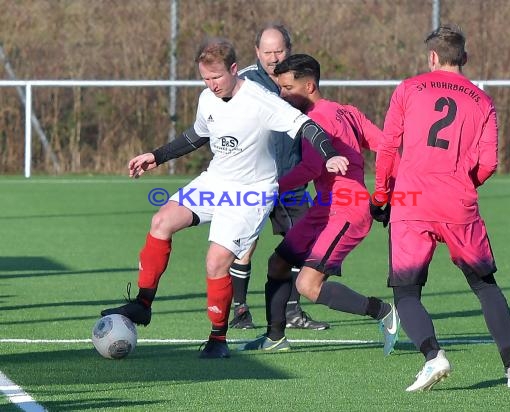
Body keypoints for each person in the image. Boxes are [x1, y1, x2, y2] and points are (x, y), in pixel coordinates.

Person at [100, 38, 349, 359]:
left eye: (217, 77)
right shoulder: (207, 98)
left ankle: (218, 338)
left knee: (216, 261)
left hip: (251, 193)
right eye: (205, 78)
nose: (211, 84)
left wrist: (328, 155)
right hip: (216, 181)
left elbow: (307, 127)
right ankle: (143, 304)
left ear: (234, 69)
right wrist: (156, 156)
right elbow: (197, 134)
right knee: (161, 221)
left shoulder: (261, 100)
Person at [374, 24, 510, 391]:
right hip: (458, 202)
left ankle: (433, 356)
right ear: (464, 58)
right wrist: (464, 184)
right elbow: (489, 162)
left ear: (432, 57)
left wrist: (381, 196)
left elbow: (388, 149)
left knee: (406, 293)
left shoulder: (409, 88)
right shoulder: (482, 101)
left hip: (410, 201)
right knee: (485, 286)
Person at [240, 54, 400, 355]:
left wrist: (270, 187)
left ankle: (383, 312)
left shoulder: (318, 119)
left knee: (308, 285)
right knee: (278, 264)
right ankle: (275, 337)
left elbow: (311, 169)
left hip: (347, 210)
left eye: (288, 88)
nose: (282, 94)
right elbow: (385, 147)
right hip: (324, 207)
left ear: (309, 85)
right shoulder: (346, 111)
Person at [229, 23, 330, 331]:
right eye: (267, 52)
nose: (273, 58)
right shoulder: (243, 82)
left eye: (279, 51)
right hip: (253, 182)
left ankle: (292, 312)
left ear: (290, 48)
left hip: (293, 181)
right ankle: (240, 311)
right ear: (257, 51)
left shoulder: (299, 77)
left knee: (302, 244)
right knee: (244, 246)